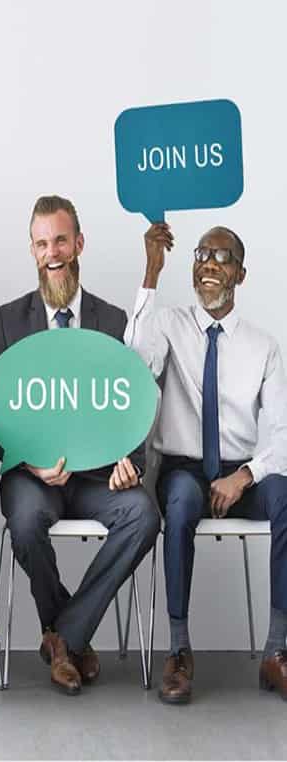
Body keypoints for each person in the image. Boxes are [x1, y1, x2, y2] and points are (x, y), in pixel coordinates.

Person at [0, 195, 160, 695]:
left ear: (79, 243)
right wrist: (30, 463)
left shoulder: (113, 320)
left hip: (99, 475)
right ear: (32, 251)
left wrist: (131, 462)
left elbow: (134, 403)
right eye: (41, 243)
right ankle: (68, 636)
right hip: (35, 477)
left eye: (60, 240)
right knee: (27, 521)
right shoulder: (9, 321)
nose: (52, 252)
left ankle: (64, 637)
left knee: (144, 513)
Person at [127, 223, 287, 704]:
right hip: (184, 470)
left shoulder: (263, 346)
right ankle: (178, 650)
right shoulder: (169, 325)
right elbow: (132, 365)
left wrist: (245, 476)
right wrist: (151, 272)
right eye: (202, 254)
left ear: (241, 272)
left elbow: (281, 434)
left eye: (222, 256)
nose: (209, 264)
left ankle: (277, 651)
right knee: (178, 504)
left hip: (241, 471)